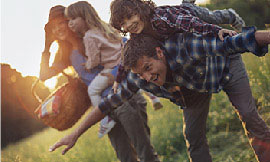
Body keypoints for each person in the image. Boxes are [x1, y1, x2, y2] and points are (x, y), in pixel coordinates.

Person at [49, 26, 270, 162]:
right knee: (193, 138)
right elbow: (106, 105)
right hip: (194, 89)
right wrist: (75, 134)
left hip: (223, 67)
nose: (147, 77)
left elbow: (236, 42)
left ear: (159, 53)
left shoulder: (184, 47)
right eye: (139, 73)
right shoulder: (138, 78)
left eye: (148, 67)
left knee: (249, 116)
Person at [42, 5, 160, 162]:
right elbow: (44, 75)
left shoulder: (93, 35)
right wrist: (47, 45)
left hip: (124, 99)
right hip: (103, 112)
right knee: (125, 157)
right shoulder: (65, 54)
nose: (57, 29)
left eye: (60, 23)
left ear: (71, 21)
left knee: (145, 153)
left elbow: (125, 49)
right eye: (53, 27)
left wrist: (113, 75)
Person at [109, 0, 243, 94]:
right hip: (183, 31)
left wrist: (215, 30)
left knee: (212, 17)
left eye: (130, 17)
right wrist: (118, 80)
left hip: (188, 14)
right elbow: (127, 59)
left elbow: (189, 22)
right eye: (123, 23)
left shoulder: (159, 18)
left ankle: (230, 15)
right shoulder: (136, 35)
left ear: (139, 9)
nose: (129, 24)